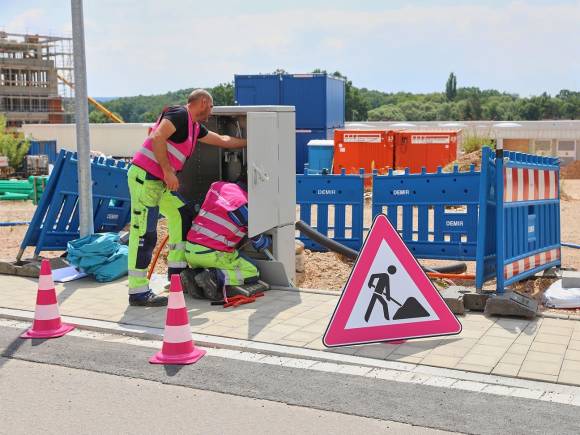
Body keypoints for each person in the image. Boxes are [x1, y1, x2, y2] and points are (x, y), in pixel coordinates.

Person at [127, 89, 246, 307]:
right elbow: (157, 136)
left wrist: (249, 142)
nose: (211, 111)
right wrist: (168, 172)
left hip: (158, 183)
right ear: (202, 102)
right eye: (210, 106)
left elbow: (222, 140)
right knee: (144, 232)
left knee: (182, 214)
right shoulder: (179, 114)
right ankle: (138, 291)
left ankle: (177, 275)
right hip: (146, 178)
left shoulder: (194, 127)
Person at [181, 178, 271, 301]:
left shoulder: (217, 186)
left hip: (190, 250)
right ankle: (214, 277)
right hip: (212, 254)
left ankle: (192, 274)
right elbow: (260, 244)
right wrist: (267, 239)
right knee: (252, 271)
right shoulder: (245, 207)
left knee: (218, 260)